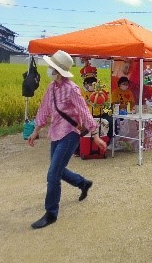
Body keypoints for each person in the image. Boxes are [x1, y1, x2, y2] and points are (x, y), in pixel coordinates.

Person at [27, 50, 107, 229]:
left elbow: (84, 111)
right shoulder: (51, 88)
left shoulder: (72, 89)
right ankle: (83, 183)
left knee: (53, 174)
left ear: (58, 70)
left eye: (51, 67)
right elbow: (44, 109)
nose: (49, 69)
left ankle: (51, 213)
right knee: (58, 170)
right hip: (56, 132)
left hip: (70, 134)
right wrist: (36, 130)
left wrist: (94, 134)